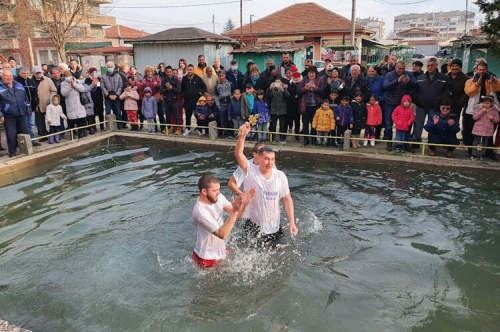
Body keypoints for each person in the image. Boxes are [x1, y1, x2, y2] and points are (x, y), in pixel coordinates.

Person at [235, 123, 299, 244]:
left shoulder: (280, 176)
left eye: (272, 159)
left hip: (274, 226)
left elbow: (287, 199)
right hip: (254, 224)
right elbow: (238, 154)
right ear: (258, 158)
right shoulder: (251, 172)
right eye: (266, 159)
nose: (270, 162)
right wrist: (242, 136)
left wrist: (292, 223)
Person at [192, 174, 254, 268]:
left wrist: (244, 204)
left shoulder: (218, 197)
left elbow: (239, 215)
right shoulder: (200, 212)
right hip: (206, 258)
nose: (218, 193)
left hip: (221, 251)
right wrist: (235, 211)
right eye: (214, 190)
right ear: (204, 191)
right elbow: (222, 234)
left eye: (218, 189)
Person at [412, 57, 453, 144]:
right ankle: (416, 142)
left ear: (436, 65)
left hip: (435, 107)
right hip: (421, 106)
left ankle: (432, 143)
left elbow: (448, 91)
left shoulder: (444, 78)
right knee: (418, 125)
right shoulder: (420, 77)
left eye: (432, 65)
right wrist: (417, 99)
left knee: (434, 125)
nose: (430, 67)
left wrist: (440, 101)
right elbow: (414, 90)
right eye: (428, 65)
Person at [463, 61, 500, 158]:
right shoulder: (470, 81)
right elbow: (469, 92)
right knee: (470, 132)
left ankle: (488, 152)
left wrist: (494, 82)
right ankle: (470, 150)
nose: (482, 72)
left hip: (488, 109)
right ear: (476, 70)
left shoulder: (491, 79)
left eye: (483, 70)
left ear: (487, 70)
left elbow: (497, 89)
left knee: (488, 132)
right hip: (474, 109)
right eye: (480, 70)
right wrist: (477, 84)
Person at [383, 60, 416, 151]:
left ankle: (404, 143)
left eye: (403, 68)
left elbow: (416, 86)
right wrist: (397, 81)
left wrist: (409, 82)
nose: (401, 70)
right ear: (395, 67)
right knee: (389, 124)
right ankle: (389, 143)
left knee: (406, 124)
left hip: (404, 104)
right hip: (390, 102)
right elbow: (385, 87)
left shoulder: (409, 74)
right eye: (399, 68)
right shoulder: (389, 75)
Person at [0, 69, 30, 157]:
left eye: (10, 76)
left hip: (22, 113)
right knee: (11, 134)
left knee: (25, 132)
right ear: (2, 77)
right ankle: (12, 152)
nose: (8, 78)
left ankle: (26, 150)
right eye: (6, 76)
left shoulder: (19, 85)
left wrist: (28, 109)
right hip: (8, 115)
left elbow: (26, 98)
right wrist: (0, 114)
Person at [15, 66, 41, 146]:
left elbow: (35, 94)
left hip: (31, 107)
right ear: (19, 73)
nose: (25, 75)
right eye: (23, 73)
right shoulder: (16, 82)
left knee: (31, 124)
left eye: (27, 73)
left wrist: (36, 103)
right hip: (22, 108)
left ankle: (32, 140)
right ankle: (23, 142)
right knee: (23, 126)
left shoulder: (31, 82)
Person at [299, 66, 324, 146]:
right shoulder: (304, 80)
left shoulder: (320, 80)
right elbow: (299, 91)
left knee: (314, 123)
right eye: (310, 73)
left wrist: (314, 88)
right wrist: (305, 88)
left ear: (315, 73)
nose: (311, 74)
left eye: (313, 73)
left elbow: (322, 91)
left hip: (316, 105)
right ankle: (306, 139)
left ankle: (313, 139)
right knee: (305, 123)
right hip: (305, 105)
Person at [471, 95, 500, 160]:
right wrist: (482, 111)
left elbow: (497, 119)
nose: (485, 105)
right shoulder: (478, 108)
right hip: (478, 128)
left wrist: (493, 118)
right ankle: (474, 154)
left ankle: (482, 154)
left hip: (488, 129)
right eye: (484, 103)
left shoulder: (494, 110)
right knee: (475, 141)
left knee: (485, 142)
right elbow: (475, 117)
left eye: (487, 103)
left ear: (491, 103)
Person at [61, 70, 87, 139]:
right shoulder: (63, 84)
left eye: (69, 76)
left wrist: (74, 84)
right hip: (70, 105)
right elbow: (64, 93)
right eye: (66, 76)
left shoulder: (77, 81)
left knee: (80, 120)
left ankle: (80, 133)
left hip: (79, 104)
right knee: (71, 121)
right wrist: (69, 86)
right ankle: (72, 135)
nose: (68, 77)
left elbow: (82, 89)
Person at [181, 64, 206, 136]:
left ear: (193, 70)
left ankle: (199, 129)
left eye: (190, 69)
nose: (189, 71)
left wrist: (200, 92)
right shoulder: (184, 79)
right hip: (187, 101)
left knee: (198, 115)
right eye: (188, 70)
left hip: (196, 101)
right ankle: (188, 129)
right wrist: (183, 94)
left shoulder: (197, 78)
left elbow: (203, 86)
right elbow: (182, 88)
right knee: (188, 116)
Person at [101, 61, 124, 129]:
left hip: (116, 97)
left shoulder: (118, 76)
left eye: (111, 67)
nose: (110, 68)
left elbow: (120, 86)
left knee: (118, 113)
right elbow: (102, 87)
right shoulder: (103, 77)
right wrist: (108, 95)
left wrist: (117, 95)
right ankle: (109, 127)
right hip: (108, 97)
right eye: (108, 67)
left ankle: (120, 127)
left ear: (114, 68)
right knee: (107, 112)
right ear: (106, 68)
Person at [141, 65, 164, 132]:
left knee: (161, 113)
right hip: (150, 100)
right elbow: (143, 90)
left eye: (150, 71)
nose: (149, 73)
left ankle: (163, 128)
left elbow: (161, 87)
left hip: (157, 98)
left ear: (153, 72)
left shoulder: (157, 78)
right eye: (147, 71)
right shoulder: (144, 80)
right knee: (152, 114)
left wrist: (157, 84)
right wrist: (143, 85)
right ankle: (154, 128)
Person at [33, 65, 54, 138]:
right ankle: (42, 134)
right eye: (37, 73)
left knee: (51, 119)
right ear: (34, 73)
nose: (38, 74)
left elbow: (53, 91)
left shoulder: (48, 80)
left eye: (39, 72)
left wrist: (50, 99)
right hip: (37, 104)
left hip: (48, 103)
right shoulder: (31, 81)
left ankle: (53, 132)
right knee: (40, 120)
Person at [267, 77, 290, 143]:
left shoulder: (284, 89)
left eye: (279, 82)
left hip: (282, 110)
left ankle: (282, 138)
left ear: (281, 83)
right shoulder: (272, 89)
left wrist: (282, 90)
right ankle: (273, 138)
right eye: (276, 82)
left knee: (282, 125)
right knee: (273, 125)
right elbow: (268, 96)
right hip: (273, 109)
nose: (277, 83)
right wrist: (270, 88)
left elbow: (288, 96)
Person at [161, 66, 181, 135]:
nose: (169, 73)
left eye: (170, 72)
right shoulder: (164, 80)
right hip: (166, 101)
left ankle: (178, 129)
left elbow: (178, 90)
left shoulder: (176, 80)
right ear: (166, 72)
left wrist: (171, 87)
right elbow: (161, 90)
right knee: (167, 116)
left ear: (172, 72)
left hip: (174, 101)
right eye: (168, 72)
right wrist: (167, 89)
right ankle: (169, 128)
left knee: (176, 116)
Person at [283, 69, 301, 141]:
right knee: (286, 121)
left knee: (297, 121)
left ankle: (297, 136)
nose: (288, 74)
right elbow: (288, 91)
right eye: (286, 73)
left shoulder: (297, 81)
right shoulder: (283, 80)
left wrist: (289, 88)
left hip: (296, 104)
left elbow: (298, 91)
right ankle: (283, 136)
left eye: (289, 73)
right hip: (287, 104)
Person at [214, 70, 234, 138]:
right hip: (222, 104)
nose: (221, 77)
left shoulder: (230, 83)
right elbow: (216, 96)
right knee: (223, 120)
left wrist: (232, 103)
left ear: (225, 75)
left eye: (223, 75)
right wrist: (218, 106)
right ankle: (224, 133)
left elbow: (233, 93)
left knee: (230, 119)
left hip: (229, 103)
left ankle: (231, 133)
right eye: (220, 76)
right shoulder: (217, 85)